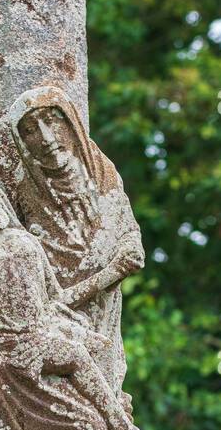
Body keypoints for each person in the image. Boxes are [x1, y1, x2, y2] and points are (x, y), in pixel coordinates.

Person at [0, 174, 142, 430]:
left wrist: (113, 272)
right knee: (88, 417)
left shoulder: (26, 242)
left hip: (39, 337)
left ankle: (119, 425)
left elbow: (57, 299)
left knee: (90, 352)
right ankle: (110, 427)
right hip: (5, 352)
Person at [8, 86, 145, 402]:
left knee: (107, 360)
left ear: (70, 123)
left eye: (51, 121)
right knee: (69, 370)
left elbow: (125, 227)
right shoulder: (25, 185)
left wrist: (127, 249)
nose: (45, 136)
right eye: (29, 130)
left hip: (104, 294)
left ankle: (110, 414)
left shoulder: (100, 169)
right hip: (57, 293)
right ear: (22, 141)